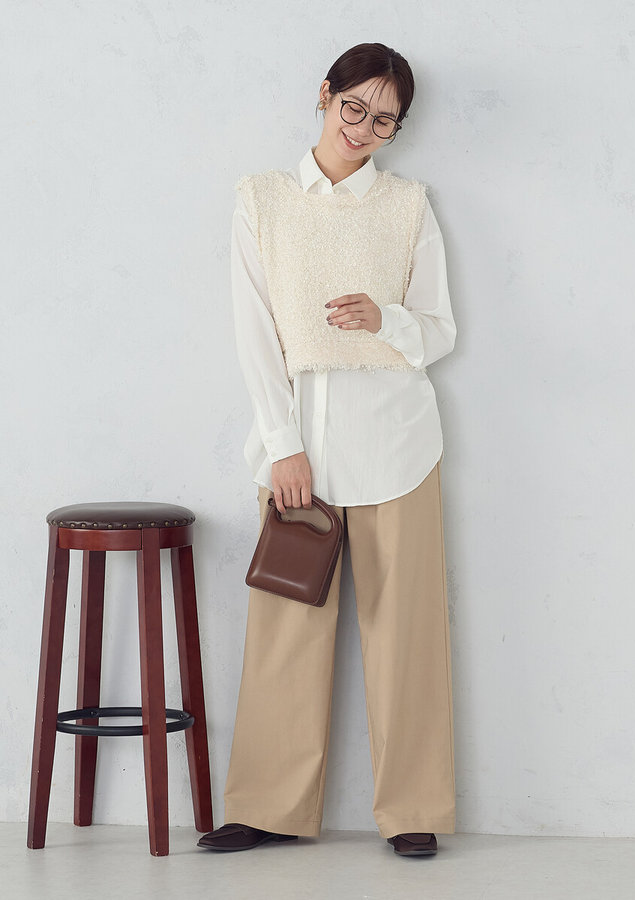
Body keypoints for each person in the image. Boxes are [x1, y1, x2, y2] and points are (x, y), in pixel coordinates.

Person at [198, 42, 457, 858]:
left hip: (398, 446)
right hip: (300, 446)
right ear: (325, 94)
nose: (364, 127)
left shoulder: (409, 206)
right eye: (355, 107)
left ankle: (414, 808)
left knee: (406, 634)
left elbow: (441, 332)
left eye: (385, 120)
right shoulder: (262, 201)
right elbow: (254, 337)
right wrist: (283, 445)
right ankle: (268, 807)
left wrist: (386, 319)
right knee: (286, 630)